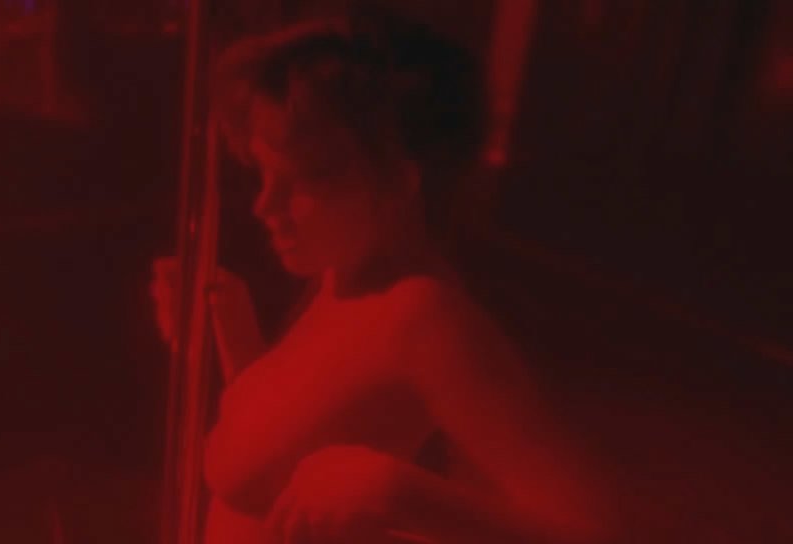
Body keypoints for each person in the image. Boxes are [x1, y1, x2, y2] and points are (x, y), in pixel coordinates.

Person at [150, 12, 615, 544]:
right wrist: (228, 339)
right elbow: (285, 460)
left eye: (302, 178)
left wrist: (399, 492)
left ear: (399, 177)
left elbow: (593, 535)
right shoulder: (339, 280)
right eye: (263, 173)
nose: (264, 205)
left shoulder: (425, 318)